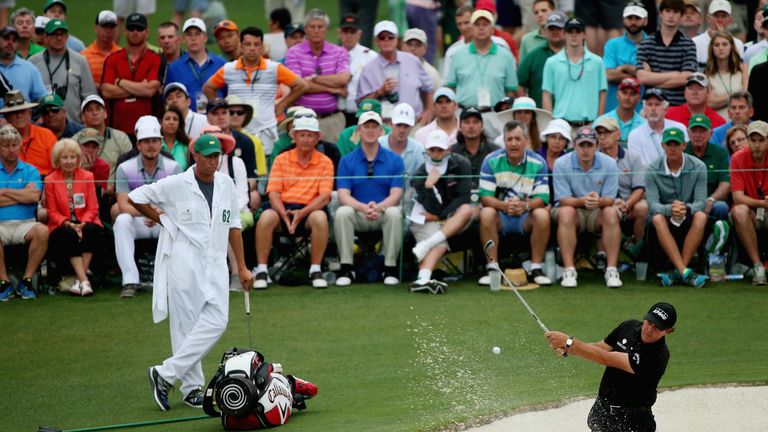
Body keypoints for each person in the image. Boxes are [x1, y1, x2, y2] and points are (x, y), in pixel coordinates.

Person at [132, 132, 252, 411]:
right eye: (208, 156)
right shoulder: (176, 184)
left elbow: (234, 225)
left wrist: (242, 267)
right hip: (184, 261)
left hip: (216, 263)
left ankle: (165, 373)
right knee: (185, 327)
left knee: (217, 321)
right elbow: (137, 196)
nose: (213, 161)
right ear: (194, 155)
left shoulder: (226, 184)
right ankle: (191, 389)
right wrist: (162, 219)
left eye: (216, 156)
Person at [544, 302, 678, 432]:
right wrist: (569, 349)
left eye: (657, 327)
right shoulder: (629, 326)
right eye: (649, 322)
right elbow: (599, 348)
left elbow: (605, 358)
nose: (649, 329)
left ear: (668, 331)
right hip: (602, 410)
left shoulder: (657, 357)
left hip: (632, 421)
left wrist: (569, 342)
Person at [253, 113, 333, 290]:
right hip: (282, 209)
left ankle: (315, 269)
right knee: (266, 217)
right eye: (302, 134)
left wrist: (301, 214)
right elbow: (273, 193)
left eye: (310, 135)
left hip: (309, 211)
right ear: (294, 136)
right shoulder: (282, 159)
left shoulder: (325, 162)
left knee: (320, 218)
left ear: (317, 138)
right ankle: (262, 270)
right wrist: (284, 214)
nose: (305, 139)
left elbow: (324, 196)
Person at [204, 26, 308, 157]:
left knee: (264, 172)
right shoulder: (229, 69)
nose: (252, 48)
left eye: (256, 44)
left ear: (262, 47)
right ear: (241, 46)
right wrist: (220, 108)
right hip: (237, 131)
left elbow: (301, 85)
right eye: (247, 44)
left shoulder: (274, 68)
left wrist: (282, 104)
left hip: (266, 131)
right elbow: (208, 87)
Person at [477, 120, 553, 286]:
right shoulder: (491, 161)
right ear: (504, 141)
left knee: (542, 214)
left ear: (525, 140)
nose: (513, 143)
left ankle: (536, 267)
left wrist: (524, 206)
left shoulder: (538, 162)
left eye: (518, 139)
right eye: (509, 139)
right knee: (486, 213)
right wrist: (505, 206)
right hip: (500, 215)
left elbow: (543, 198)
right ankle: (492, 267)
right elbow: (485, 197)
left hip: (525, 216)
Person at [114, 116, 182, 299]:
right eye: (146, 141)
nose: (151, 145)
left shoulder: (174, 167)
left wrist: (157, 214)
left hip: (163, 220)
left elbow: (178, 203)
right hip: (140, 220)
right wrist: (151, 213)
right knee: (121, 221)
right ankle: (130, 280)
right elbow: (123, 205)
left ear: (161, 144)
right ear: (138, 145)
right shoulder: (124, 168)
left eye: (155, 141)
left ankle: (175, 279)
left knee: (181, 221)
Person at [334, 111, 404, 287]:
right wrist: (363, 208)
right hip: (359, 214)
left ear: (381, 131)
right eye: (366, 126)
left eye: (375, 126)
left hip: (383, 213)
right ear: (359, 130)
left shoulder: (395, 160)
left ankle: (389, 268)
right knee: (343, 212)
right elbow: (343, 196)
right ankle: (346, 268)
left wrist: (378, 207)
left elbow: (396, 194)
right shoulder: (347, 160)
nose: (371, 130)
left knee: (395, 213)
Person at [552, 127, 622, 288]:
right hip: (573, 209)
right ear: (574, 145)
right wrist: (582, 201)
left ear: (596, 146)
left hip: (598, 210)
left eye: (589, 145)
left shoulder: (609, 163)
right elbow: (563, 199)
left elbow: (610, 199)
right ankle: (569, 269)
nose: (585, 149)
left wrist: (598, 201)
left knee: (611, 213)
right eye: (581, 145)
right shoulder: (561, 163)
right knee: (566, 212)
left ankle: (612, 269)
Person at [644, 127, 709, 288]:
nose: (672, 148)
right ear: (663, 146)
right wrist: (670, 209)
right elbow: (652, 204)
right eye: (669, 144)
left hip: (688, 214)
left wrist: (686, 209)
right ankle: (685, 272)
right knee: (658, 218)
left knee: (701, 216)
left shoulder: (699, 166)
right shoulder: (652, 169)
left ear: (684, 145)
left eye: (676, 144)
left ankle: (679, 271)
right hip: (665, 216)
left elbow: (701, 202)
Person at [409, 129, 471, 294]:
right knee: (440, 245)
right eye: (432, 149)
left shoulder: (462, 164)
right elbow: (432, 209)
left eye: (440, 150)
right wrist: (429, 187)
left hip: (452, 215)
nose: (436, 154)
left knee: (466, 210)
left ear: (448, 150)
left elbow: (464, 198)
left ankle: (425, 246)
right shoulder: (419, 176)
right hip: (425, 217)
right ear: (427, 150)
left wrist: (440, 215)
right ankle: (423, 279)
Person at [44, 138, 102, 296]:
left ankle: (79, 281)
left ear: (77, 158)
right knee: (69, 235)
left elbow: (93, 207)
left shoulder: (87, 176)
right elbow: (52, 211)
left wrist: (83, 223)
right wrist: (68, 223)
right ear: (57, 159)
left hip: (85, 220)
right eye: (64, 157)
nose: (69, 161)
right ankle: (84, 280)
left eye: (72, 157)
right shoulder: (50, 180)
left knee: (92, 231)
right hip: (62, 225)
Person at [284, 9, 351, 144]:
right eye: (312, 27)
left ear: (326, 30)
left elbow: (343, 79)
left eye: (320, 27)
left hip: (331, 120)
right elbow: (298, 85)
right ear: (306, 30)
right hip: (303, 120)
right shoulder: (293, 53)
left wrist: (314, 78)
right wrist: (334, 89)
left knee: (334, 160)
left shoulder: (339, 52)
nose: (316, 30)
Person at [0, 124, 48, 302]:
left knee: (42, 231)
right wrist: (22, 194)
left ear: (19, 146)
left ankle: (26, 281)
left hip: (25, 223)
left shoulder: (30, 170)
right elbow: (28, 196)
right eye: (5, 145)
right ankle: (4, 282)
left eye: (14, 145)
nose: (11, 150)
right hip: (1, 225)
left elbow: (34, 196)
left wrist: (4, 192)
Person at [358, 20, 434, 124]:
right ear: (376, 41)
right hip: (383, 124)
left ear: (397, 40)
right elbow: (361, 103)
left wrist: (428, 110)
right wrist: (380, 92)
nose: (386, 40)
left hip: (413, 122)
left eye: (390, 37)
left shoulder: (412, 60)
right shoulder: (368, 69)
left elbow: (428, 88)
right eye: (382, 37)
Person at [101, 13, 162, 137]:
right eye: (131, 28)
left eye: (139, 29)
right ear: (125, 31)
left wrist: (120, 82)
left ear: (147, 32)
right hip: (116, 129)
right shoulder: (113, 59)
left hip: (148, 130)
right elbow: (107, 91)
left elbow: (150, 90)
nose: (135, 32)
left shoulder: (155, 58)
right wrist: (140, 87)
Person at [542, 17, 607, 130]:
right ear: (564, 34)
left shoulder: (597, 62)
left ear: (584, 35)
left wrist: (598, 122)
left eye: (578, 31)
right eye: (570, 31)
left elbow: (602, 92)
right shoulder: (551, 62)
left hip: (589, 125)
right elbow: (546, 94)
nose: (574, 35)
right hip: (561, 125)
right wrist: (551, 124)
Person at [595, 116, 649, 254]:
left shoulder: (633, 157)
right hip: (603, 206)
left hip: (628, 206)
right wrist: (609, 204)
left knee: (642, 207)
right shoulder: (593, 159)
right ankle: (602, 256)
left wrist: (628, 204)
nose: (602, 137)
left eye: (606, 133)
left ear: (618, 134)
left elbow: (640, 188)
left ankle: (639, 252)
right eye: (599, 133)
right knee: (606, 212)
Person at [446, 11, 516, 113]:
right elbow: (451, 87)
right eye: (477, 24)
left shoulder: (506, 55)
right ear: (472, 28)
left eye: (485, 24)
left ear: (492, 29)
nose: (481, 28)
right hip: (464, 113)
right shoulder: (457, 54)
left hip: (495, 114)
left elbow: (510, 90)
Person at [29, 19, 97, 124]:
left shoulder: (80, 61)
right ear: (46, 36)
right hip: (42, 126)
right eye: (54, 34)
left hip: (74, 126)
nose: (59, 38)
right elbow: (28, 98)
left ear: (67, 36)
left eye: (62, 34)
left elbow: (89, 96)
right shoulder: (33, 62)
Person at [636, 0, 697, 107]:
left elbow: (686, 78)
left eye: (676, 12)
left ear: (681, 16)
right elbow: (642, 78)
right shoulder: (646, 43)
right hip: (651, 106)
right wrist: (675, 74)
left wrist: (651, 79)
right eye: (668, 11)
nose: (671, 16)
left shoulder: (689, 44)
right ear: (661, 13)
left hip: (678, 106)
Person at [729, 121, 768, 285]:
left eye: (761, 140)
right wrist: (762, 203)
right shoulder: (737, 158)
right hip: (752, 211)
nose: (757, 145)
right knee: (739, 211)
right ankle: (757, 265)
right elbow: (737, 197)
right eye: (753, 140)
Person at [166, 18, 226, 113]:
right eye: (189, 34)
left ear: (205, 37)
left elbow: (228, 95)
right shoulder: (174, 68)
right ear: (183, 39)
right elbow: (168, 99)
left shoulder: (222, 65)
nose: (193, 38)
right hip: (187, 122)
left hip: (216, 119)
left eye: (197, 33)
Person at [72, 94, 133, 183]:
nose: (95, 113)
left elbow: (130, 169)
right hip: (80, 189)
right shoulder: (72, 142)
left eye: (98, 109)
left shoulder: (121, 138)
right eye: (89, 110)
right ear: (83, 117)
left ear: (105, 113)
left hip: (112, 193)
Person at [683, 114, 730, 221]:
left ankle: (719, 235)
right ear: (688, 133)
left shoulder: (720, 152)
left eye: (702, 131)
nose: (698, 135)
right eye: (694, 131)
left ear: (711, 134)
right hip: (686, 200)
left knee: (721, 207)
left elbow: (725, 183)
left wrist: (711, 199)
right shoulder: (681, 150)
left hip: (712, 199)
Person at [603, 3, 648, 113]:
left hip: (642, 111)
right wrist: (641, 74)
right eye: (629, 18)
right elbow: (608, 74)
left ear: (645, 21)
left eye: (637, 18)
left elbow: (653, 76)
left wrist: (625, 67)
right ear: (623, 20)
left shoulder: (653, 44)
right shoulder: (612, 44)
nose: (633, 22)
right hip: (613, 110)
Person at [517, 10, 566, 109]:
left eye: (559, 28)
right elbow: (519, 83)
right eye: (551, 28)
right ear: (546, 31)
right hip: (540, 115)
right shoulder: (534, 55)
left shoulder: (575, 55)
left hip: (570, 115)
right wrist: (526, 107)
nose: (555, 31)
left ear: (566, 30)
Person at [627, 89, 688, 168]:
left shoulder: (679, 128)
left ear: (666, 109)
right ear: (644, 109)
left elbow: (686, 159)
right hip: (648, 178)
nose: (653, 108)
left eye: (657, 104)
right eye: (649, 104)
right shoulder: (635, 135)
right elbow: (638, 167)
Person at [1, 90, 56, 176]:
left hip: (45, 182)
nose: (19, 116)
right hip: (11, 183)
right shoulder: (1, 139)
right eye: (14, 112)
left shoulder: (46, 135)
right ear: (6, 117)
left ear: (30, 114)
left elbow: (57, 168)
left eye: (22, 111)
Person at [338, 13, 378, 127]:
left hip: (362, 113)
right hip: (339, 112)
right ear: (339, 33)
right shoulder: (331, 55)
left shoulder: (370, 57)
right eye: (346, 31)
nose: (349, 35)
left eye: (352, 32)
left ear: (359, 33)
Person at [450, 106, 500, 189]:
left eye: (476, 122)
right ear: (460, 127)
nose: (471, 126)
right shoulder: (451, 152)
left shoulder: (495, 152)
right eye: (466, 122)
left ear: (482, 126)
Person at [704, 32, 747, 121]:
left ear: (731, 47)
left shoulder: (743, 69)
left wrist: (720, 100)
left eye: (724, 44)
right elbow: (709, 103)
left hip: (740, 123)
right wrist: (734, 95)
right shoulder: (708, 73)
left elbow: (745, 97)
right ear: (712, 49)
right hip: (717, 122)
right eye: (716, 45)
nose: (721, 48)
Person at [0, 26, 46, 108]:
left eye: (14, 40)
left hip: (20, 118)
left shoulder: (29, 68)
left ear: (18, 44)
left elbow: (42, 97)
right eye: (6, 38)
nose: (10, 42)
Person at [692, 0, 745, 70]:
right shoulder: (695, 43)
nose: (720, 20)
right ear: (708, 18)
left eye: (724, 16)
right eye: (716, 16)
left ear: (730, 20)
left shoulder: (738, 44)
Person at [594, 78, 646, 146]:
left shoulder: (644, 125)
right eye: (624, 92)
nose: (627, 97)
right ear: (617, 94)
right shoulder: (601, 121)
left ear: (639, 98)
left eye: (632, 94)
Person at [380, 102, 424, 176]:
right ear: (391, 124)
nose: (402, 130)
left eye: (406, 126)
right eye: (399, 125)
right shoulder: (378, 144)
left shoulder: (418, 149)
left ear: (412, 127)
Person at [80, 10, 121, 91]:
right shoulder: (84, 56)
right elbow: (81, 83)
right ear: (96, 28)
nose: (108, 30)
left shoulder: (122, 54)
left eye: (111, 27)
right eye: (104, 26)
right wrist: (106, 88)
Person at [538, 118, 570, 204]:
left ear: (567, 142)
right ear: (547, 137)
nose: (557, 142)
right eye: (553, 137)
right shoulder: (535, 157)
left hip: (560, 205)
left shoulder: (569, 161)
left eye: (562, 138)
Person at [159, 105, 190, 170]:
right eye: (167, 119)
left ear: (179, 124)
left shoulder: (187, 144)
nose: (171, 122)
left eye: (175, 119)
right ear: (161, 123)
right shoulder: (155, 143)